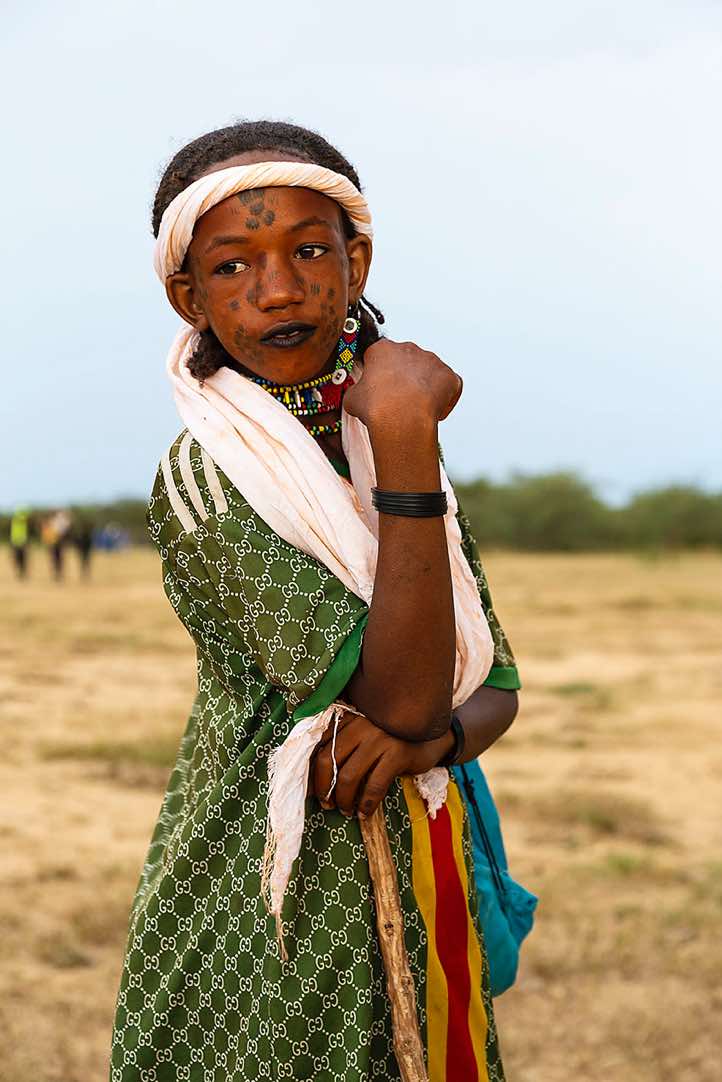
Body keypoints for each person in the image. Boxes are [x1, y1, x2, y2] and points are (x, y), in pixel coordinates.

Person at [111, 121, 521, 1082]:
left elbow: (495, 687)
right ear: (188, 298)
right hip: (269, 911)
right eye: (232, 266)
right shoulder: (206, 480)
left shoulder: (382, 443)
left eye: (308, 251)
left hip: (424, 876)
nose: (279, 290)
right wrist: (409, 443)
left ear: (355, 262)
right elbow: (406, 698)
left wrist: (431, 745)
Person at [9, 507, 31, 579]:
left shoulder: (20, 522)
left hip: (21, 543)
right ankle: (20, 572)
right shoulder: (16, 522)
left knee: (22, 559)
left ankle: (22, 572)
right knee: (18, 559)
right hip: (17, 543)